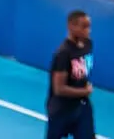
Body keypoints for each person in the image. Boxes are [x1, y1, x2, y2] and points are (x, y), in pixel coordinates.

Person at [45, 10, 94, 139]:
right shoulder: (63, 53)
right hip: (61, 110)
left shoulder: (88, 45)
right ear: (71, 27)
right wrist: (84, 91)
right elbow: (59, 89)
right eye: (84, 27)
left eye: (89, 26)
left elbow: (81, 72)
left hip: (82, 107)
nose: (88, 31)